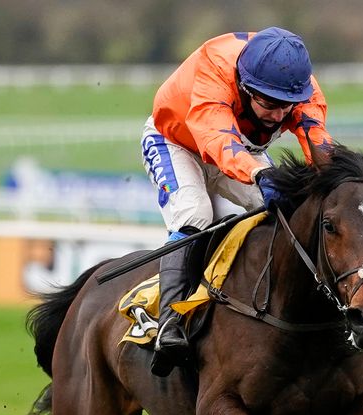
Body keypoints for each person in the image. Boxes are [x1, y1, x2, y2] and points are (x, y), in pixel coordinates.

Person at [140, 27, 335, 376]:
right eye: (268, 104)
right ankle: (169, 322)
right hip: (175, 142)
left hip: (237, 147)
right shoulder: (215, 71)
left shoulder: (299, 85)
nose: (278, 116)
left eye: (285, 106)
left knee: (286, 209)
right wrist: (260, 174)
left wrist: (339, 180)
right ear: (244, 87)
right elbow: (219, 142)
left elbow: (318, 145)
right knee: (195, 214)